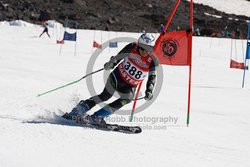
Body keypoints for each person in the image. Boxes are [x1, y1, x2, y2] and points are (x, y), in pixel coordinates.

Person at [63, 33, 159, 126]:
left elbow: (152, 77)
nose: (144, 51)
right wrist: (111, 64)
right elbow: (118, 57)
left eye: (148, 49)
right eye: (142, 48)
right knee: (105, 96)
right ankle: (79, 109)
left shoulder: (153, 60)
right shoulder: (132, 47)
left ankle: (98, 116)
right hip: (117, 77)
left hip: (130, 86)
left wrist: (149, 90)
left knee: (128, 98)